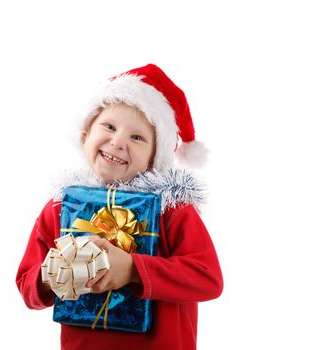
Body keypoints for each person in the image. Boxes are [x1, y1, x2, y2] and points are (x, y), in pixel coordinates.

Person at [15, 63, 223, 350]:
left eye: (137, 137)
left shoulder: (172, 209)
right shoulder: (59, 207)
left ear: (155, 156)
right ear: (85, 134)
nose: (118, 142)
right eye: (109, 126)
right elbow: (27, 285)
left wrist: (133, 269)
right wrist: (54, 274)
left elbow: (208, 278)